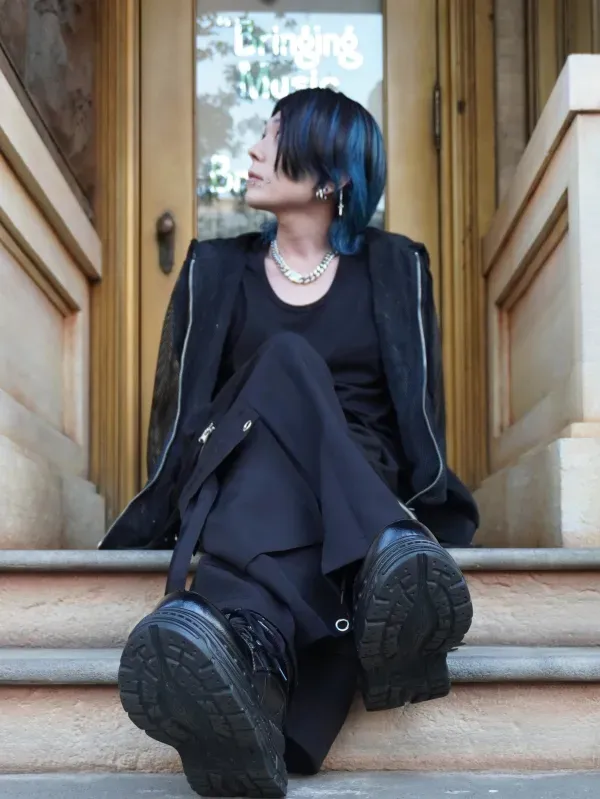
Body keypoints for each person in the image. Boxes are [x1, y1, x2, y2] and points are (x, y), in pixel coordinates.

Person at [100, 87, 478, 798]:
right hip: (237, 455)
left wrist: (418, 494)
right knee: (285, 362)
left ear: (332, 174)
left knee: (283, 489)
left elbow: (418, 411)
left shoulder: (397, 266)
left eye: (273, 137)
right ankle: (382, 549)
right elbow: (179, 414)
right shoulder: (217, 267)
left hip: (350, 469)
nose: (252, 149)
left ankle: (260, 668)